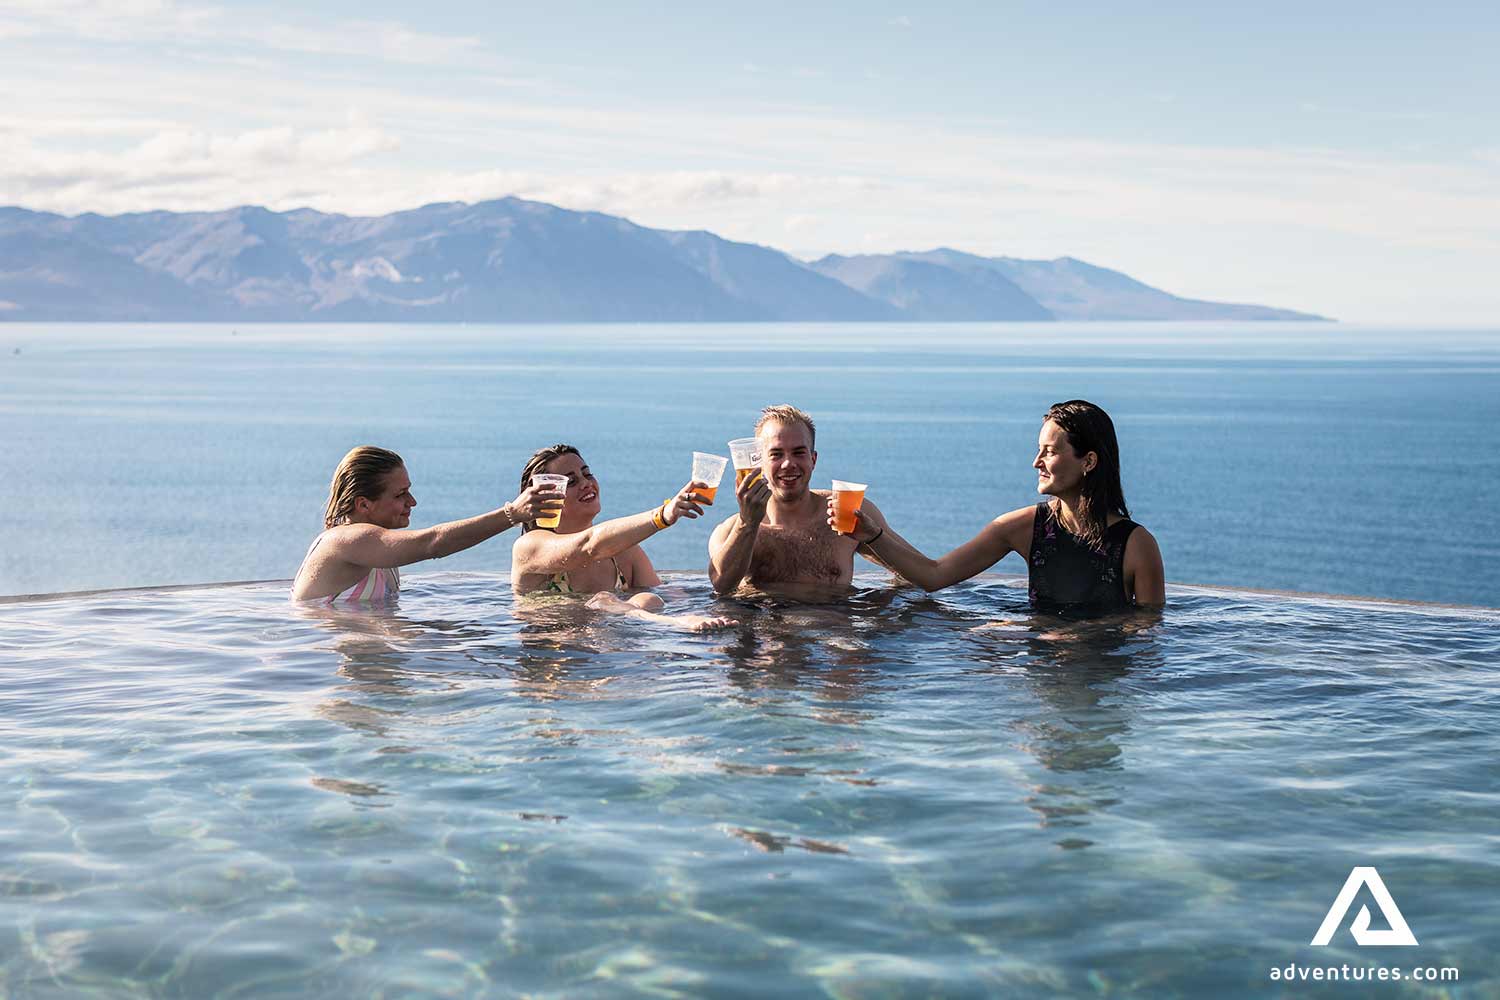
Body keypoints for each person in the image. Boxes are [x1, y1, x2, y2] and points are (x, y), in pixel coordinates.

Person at [830, 400, 1165, 611]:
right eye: (1038, 449)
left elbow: (1146, 638)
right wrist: (873, 537)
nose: (1037, 462)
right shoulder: (1020, 528)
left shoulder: (1137, 546)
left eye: (1050, 451)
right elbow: (934, 575)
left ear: (1088, 461)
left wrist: (1054, 635)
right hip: (1041, 675)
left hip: (1103, 682)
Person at [511, 443, 737, 632]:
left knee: (647, 599)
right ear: (543, 499)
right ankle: (677, 624)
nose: (586, 483)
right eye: (570, 482)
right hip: (554, 661)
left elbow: (664, 596)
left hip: (614, 656)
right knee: (609, 603)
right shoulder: (528, 547)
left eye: (587, 473)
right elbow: (588, 546)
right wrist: (663, 516)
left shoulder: (624, 553)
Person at [293, 445, 561, 603]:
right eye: (400, 495)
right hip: (321, 671)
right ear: (364, 504)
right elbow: (432, 543)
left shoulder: (378, 548)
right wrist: (512, 513)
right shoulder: (346, 541)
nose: (412, 501)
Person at [708, 404, 890, 596]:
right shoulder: (730, 531)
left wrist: (875, 537)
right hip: (765, 623)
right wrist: (748, 523)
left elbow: (922, 575)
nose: (788, 464)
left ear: (813, 459)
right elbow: (721, 586)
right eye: (776, 454)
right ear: (760, 462)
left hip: (833, 623)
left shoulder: (849, 513)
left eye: (798, 453)